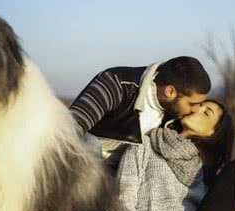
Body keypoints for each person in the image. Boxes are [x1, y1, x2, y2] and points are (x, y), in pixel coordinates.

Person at [69, 56, 211, 166]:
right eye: (193, 103)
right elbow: (72, 128)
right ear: (170, 92)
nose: (197, 109)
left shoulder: (175, 117)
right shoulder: (115, 83)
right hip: (88, 171)